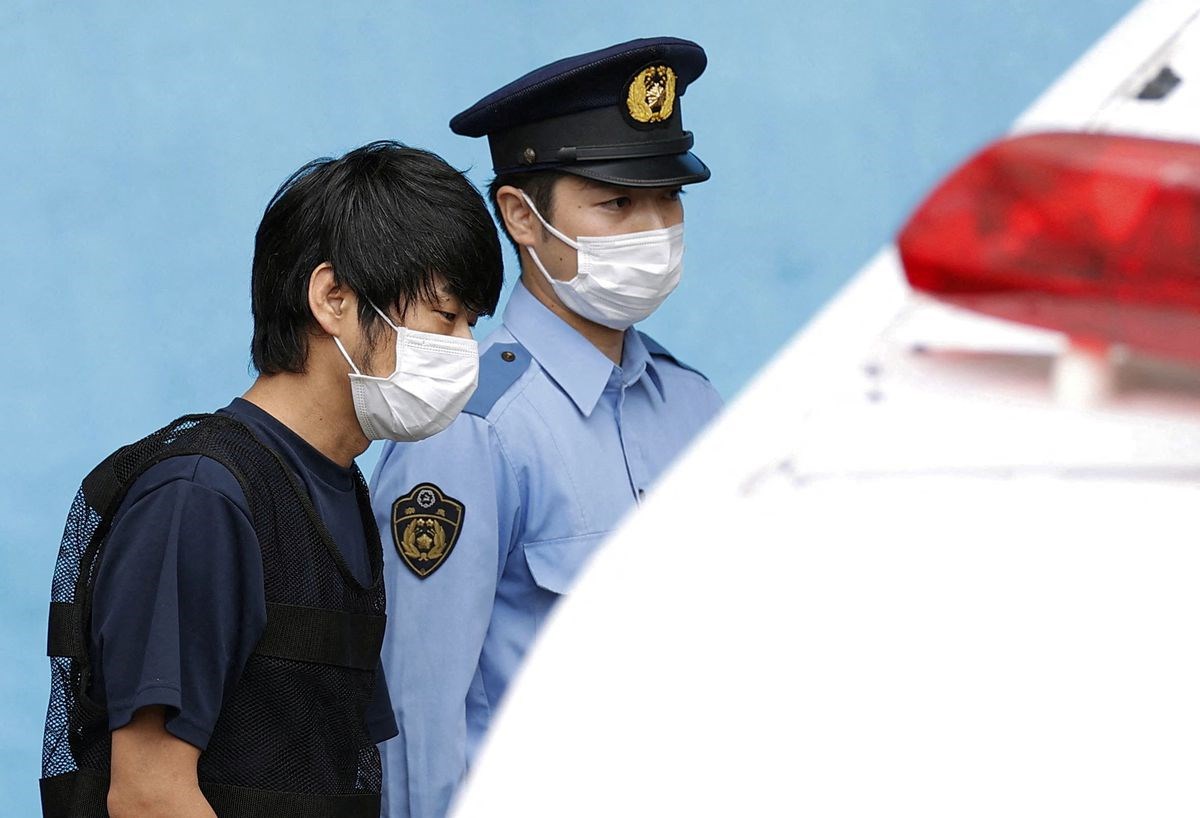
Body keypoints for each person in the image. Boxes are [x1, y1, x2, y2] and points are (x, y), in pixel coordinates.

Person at [38, 141, 503, 818]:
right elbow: (148, 796)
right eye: (446, 317)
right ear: (333, 298)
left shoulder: (337, 490)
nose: (464, 351)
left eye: (472, 325)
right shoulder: (199, 498)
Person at [369, 38, 724, 818]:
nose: (654, 228)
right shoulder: (467, 427)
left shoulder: (696, 408)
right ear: (521, 218)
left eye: (668, 198)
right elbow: (417, 714)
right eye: (617, 203)